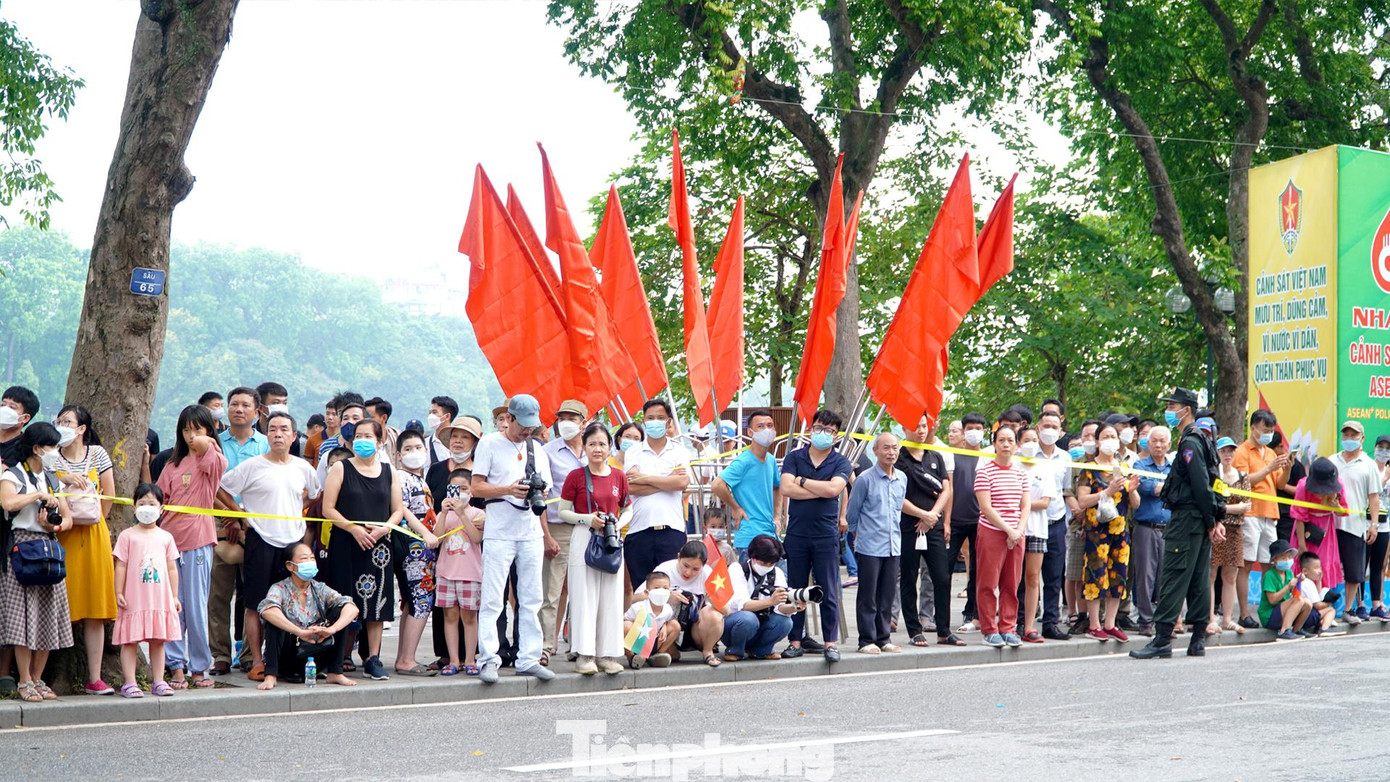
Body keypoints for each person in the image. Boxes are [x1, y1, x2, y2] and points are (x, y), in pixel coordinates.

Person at [216, 411, 321, 682]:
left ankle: (286, 659)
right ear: (266, 434)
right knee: (256, 603)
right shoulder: (252, 466)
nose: (278, 434)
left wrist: (298, 508)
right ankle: (258, 662)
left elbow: (314, 495)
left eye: (284, 430)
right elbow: (220, 488)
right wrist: (240, 515)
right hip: (260, 540)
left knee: (292, 601)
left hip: (293, 542)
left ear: (294, 436)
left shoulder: (303, 467)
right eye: (272, 429)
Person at [1132, 387, 1225, 660]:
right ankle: (1197, 641)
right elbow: (1214, 481)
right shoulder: (1202, 439)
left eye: (1172, 407)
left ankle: (1162, 639)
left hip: (1187, 519)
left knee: (1173, 577)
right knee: (1198, 578)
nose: (1169, 412)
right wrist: (1214, 517)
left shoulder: (1190, 442)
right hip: (1198, 518)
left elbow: (1201, 484)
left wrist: (1212, 519)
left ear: (1186, 409)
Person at [471, 394, 555, 684]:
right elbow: (476, 487)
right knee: (493, 599)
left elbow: (545, 488)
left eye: (532, 425)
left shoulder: (537, 449)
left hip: (530, 531)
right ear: (509, 418)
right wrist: (508, 489)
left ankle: (529, 657)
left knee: (532, 598)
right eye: (523, 425)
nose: (527, 431)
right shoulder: (490, 443)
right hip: (499, 532)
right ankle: (489, 658)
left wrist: (539, 492)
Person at [322, 417, 402, 680]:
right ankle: (338, 657)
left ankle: (373, 658)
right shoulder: (341, 469)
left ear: (380, 442)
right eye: (359, 436)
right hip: (346, 542)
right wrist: (353, 528)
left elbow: (398, 510)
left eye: (369, 436)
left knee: (377, 604)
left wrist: (384, 529)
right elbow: (328, 509)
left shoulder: (390, 472)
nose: (362, 441)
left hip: (379, 546)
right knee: (343, 600)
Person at [0, 422, 73, 702]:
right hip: (21, 549)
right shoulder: (14, 475)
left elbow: (67, 518)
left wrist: (53, 524)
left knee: (48, 616)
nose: (56, 452)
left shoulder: (54, 479)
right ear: (37, 448)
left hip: (49, 548)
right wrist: (37, 496)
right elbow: (7, 503)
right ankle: (25, 680)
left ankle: (39, 677)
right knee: (23, 618)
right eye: (52, 447)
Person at [157, 404, 227, 688]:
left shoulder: (213, 460)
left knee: (197, 606)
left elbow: (216, 461)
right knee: (174, 605)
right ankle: (175, 666)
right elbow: (159, 497)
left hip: (198, 541)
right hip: (170, 542)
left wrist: (206, 442)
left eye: (197, 429)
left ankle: (199, 667)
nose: (190, 435)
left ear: (209, 431)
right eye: (186, 429)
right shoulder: (172, 465)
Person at [50, 404, 118, 695]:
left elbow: (110, 495)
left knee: (94, 607)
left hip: (93, 536)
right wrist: (62, 478)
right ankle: (47, 674)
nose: (62, 425)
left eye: (68, 421)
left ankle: (94, 677)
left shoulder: (98, 454)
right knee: (58, 603)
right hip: (61, 535)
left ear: (82, 429)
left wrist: (93, 518)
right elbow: (46, 488)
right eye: (59, 421)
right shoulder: (50, 456)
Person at [849, 433, 932, 654]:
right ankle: (866, 640)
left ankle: (883, 638)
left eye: (895, 448)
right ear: (875, 451)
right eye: (886, 448)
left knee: (887, 595)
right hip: (869, 545)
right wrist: (860, 535)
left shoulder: (902, 478)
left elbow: (898, 509)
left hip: (893, 544)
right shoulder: (865, 479)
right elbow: (852, 515)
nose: (891, 452)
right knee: (868, 595)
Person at [558, 422, 630, 675]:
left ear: (610, 447)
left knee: (611, 597)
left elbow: (627, 505)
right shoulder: (575, 477)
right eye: (592, 444)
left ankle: (607, 655)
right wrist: (588, 519)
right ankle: (585, 654)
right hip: (584, 537)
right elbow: (562, 511)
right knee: (584, 597)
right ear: (584, 447)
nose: (597, 449)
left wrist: (618, 523)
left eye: (602, 444)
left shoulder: (618, 476)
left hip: (611, 539)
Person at [780, 409, 852, 661]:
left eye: (829, 430)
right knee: (796, 590)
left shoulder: (841, 462)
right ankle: (795, 640)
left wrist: (802, 482)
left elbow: (835, 490)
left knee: (828, 590)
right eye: (819, 428)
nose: (823, 434)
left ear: (836, 436)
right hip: (797, 533)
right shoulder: (794, 457)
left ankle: (830, 643)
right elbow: (786, 488)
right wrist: (819, 489)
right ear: (811, 429)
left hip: (825, 535)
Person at [211, 386, 269, 676]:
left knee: (254, 593)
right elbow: (210, 484)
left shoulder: (266, 445)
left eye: (246, 405)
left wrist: (245, 520)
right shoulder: (216, 444)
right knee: (218, 593)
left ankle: (249, 655)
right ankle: (220, 655)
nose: (239, 409)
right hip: (221, 522)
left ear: (257, 412)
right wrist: (232, 519)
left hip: (258, 523)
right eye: (234, 404)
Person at [256, 543, 361, 691]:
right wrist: (300, 632)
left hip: (314, 652)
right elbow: (267, 610)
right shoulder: (279, 588)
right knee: (274, 617)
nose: (310, 562)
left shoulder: (319, 588)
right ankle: (271, 675)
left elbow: (352, 608)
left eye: (312, 558)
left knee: (340, 610)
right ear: (290, 566)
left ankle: (335, 672)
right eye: (304, 558)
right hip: (289, 654)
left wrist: (332, 629)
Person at [113, 483, 182, 698]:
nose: (146, 507)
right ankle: (130, 682)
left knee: (158, 640)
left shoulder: (166, 537)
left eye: (152, 503)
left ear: (162, 508)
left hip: (159, 599)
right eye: (142, 503)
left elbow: (172, 567)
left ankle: (159, 680)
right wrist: (118, 592)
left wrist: (174, 596)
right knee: (130, 641)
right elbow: (121, 565)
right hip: (133, 599)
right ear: (133, 507)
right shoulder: (127, 536)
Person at [896, 414, 956, 647]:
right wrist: (921, 515)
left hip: (933, 526)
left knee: (942, 576)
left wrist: (932, 517)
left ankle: (944, 630)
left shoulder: (936, 456)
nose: (921, 431)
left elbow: (946, 488)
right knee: (909, 577)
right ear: (904, 427)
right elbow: (897, 495)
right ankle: (914, 630)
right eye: (915, 426)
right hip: (909, 526)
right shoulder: (899, 458)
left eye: (924, 426)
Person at [1075, 422, 1138, 642]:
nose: (1111, 440)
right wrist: (1107, 491)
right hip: (1096, 532)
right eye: (1106, 436)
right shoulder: (1090, 469)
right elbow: (1082, 500)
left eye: (1114, 436)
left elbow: (1135, 504)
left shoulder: (1123, 468)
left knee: (1118, 575)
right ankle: (1094, 624)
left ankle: (1110, 623)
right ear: (1098, 441)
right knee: (1095, 575)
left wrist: (1130, 489)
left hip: (1120, 531)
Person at [622, 399, 692, 592]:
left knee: (670, 589)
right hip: (639, 530)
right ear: (644, 421)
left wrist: (645, 478)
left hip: (672, 529)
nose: (655, 422)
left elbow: (682, 482)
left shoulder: (679, 451)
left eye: (660, 418)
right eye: (650, 418)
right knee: (641, 589)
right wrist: (667, 480)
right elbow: (630, 487)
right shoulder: (634, 451)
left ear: (669, 422)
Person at [972, 426, 1030, 648]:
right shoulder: (985, 471)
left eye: (1010, 441)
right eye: (1001, 440)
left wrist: (1018, 530)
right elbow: (986, 507)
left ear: (1016, 444)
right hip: (992, 532)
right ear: (994, 444)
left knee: (1011, 583)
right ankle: (989, 629)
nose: (1006, 445)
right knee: (988, 582)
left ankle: (1008, 627)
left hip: (1017, 533)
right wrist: (1008, 530)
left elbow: (1025, 506)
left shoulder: (1020, 472)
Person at [1232, 409, 1291, 629]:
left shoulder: (1271, 453)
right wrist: (1269, 468)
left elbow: (1280, 484)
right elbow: (1243, 481)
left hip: (1270, 513)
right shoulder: (1242, 451)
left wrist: (1286, 467)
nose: (1267, 434)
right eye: (1265, 430)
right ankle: (1245, 613)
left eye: (1270, 431)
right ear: (1253, 428)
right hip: (1250, 513)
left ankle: (1268, 610)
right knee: (1247, 564)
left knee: (1269, 563)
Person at [390, 428, 442, 675]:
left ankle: (404, 656)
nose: (414, 453)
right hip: (413, 549)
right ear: (399, 455)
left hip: (422, 549)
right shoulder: (402, 477)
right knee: (421, 601)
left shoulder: (420, 479)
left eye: (418, 448)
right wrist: (425, 533)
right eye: (408, 449)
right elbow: (402, 509)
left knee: (413, 603)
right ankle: (407, 659)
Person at [541, 399, 589, 666]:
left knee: (584, 587)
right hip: (558, 526)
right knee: (552, 589)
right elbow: (542, 497)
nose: (566, 422)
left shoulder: (595, 449)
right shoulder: (548, 451)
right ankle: (547, 644)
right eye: (562, 418)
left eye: (572, 417)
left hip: (588, 527)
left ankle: (582, 644)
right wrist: (546, 534)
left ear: (584, 422)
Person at [711, 409, 781, 562]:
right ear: (750, 432)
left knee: (777, 582)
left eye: (770, 425)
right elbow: (717, 485)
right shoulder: (743, 461)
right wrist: (735, 507)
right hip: (750, 536)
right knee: (751, 584)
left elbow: (777, 487)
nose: (767, 430)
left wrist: (777, 516)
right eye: (760, 426)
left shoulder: (771, 460)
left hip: (770, 532)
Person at [434, 468, 485, 676]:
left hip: (470, 574)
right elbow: (436, 539)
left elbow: (476, 538)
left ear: (472, 491)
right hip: (446, 573)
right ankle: (454, 660)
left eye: (464, 488)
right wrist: (444, 512)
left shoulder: (478, 514)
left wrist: (462, 513)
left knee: (470, 617)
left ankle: (470, 659)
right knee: (450, 616)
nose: (460, 492)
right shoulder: (443, 514)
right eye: (455, 489)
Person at [721, 534, 802, 660]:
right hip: (735, 625)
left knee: (785, 622)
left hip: (760, 624)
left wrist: (794, 606)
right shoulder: (737, 569)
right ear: (752, 557)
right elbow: (743, 605)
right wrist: (770, 601)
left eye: (772, 563)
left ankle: (762, 650)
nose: (767, 566)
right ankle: (735, 649)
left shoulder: (777, 573)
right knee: (748, 618)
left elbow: (780, 607)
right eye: (764, 562)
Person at [1331, 421, 1380, 623]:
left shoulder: (1368, 465)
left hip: (1355, 525)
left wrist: (1374, 525)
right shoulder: (1332, 461)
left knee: (1353, 571)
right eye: (1346, 435)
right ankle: (1323, 610)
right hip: (1330, 524)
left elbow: (1374, 497)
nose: (1349, 439)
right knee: (1325, 567)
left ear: (1362, 438)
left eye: (1354, 435)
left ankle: (1348, 609)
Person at [650, 540, 727, 667]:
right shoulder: (664, 569)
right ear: (678, 557)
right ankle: (667, 649)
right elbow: (639, 598)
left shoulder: (708, 573)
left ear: (704, 565)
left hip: (696, 629)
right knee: (672, 653)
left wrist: (713, 599)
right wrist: (665, 595)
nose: (688, 572)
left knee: (714, 614)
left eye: (696, 569)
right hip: (668, 627)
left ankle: (707, 651)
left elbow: (727, 610)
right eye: (685, 565)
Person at [949, 412, 990, 634]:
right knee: (944, 569)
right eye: (970, 428)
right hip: (954, 521)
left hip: (981, 522)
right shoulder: (952, 455)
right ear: (964, 431)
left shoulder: (989, 457)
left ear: (984, 431)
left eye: (978, 428)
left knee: (977, 570)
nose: (974, 432)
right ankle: (941, 615)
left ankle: (973, 612)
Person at [1034, 410, 1072, 641]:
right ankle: (1022, 621)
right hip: (1031, 523)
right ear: (1038, 428)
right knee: (1026, 577)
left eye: (1054, 427)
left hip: (1056, 522)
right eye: (1045, 425)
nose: (1049, 430)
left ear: (1060, 431)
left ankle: (1050, 622)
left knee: (1054, 576)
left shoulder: (1066, 458)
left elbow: (1066, 490)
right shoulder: (1025, 454)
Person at [1131, 425, 1173, 636]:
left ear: (1169, 445)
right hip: (1145, 527)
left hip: (1169, 528)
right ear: (1148, 443)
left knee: (1167, 577)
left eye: (1162, 441)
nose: (1158, 445)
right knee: (1145, 576)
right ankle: (1145, 620)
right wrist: (1168, 489)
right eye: (1154, 441)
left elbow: (1172, 490)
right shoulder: (1139, 464)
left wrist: (1163, 489)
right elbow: (1147, 487)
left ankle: (1165, 621)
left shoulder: (1173, 467)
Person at [1209, 437, 1251, 635]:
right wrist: (1232, 508)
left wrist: (1225, 508)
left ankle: (1227, 618)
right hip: (1214, 528)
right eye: (1223, 450)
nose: (1227, 454)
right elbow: (1211, 504)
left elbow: (1246, 506)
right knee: (1210, 575)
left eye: (1231, 451)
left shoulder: (1242, 476)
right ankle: (1210, 618)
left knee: (1230, 576)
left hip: (1235, 531)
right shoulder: (1212, 475)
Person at [1017, 427, 1054, 643]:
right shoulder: (1012, 466)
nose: (1031, 443)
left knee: (1032, 578)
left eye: (1034, 440)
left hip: (1037, 530)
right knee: (1011, 579)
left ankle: (1029, 626)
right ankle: (1010, 622)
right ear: (1018, 443)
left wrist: (1022, 503)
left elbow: (1045, 502)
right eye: (1026, 440)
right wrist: (1027, 505)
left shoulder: (1044, 468)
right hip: (1014, 529)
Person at [1065, 419, 1101, 634]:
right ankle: (1080, 615)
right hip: (1079, 524)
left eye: (1093, 436)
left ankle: (1099, 616)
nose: (1089, 440)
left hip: (1103, 526)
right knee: (1077, 573)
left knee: (1097, 572)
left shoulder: (1106, 463)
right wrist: (1078, 509)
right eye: (1085, 435)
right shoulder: (1075, 463)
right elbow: (1067, 491)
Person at [1290, 457, 1347, 590]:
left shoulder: (1339, 485)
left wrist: (1337, 506)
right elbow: (1299, 516)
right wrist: (1302, 545)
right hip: (1305, 528)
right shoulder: (1303, 486)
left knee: (1323, 563)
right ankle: (1301, 599)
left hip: (1326, 529)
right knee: (1304, 563)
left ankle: (1321, 598)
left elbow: (1343, 512)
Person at [623, 571, 679, 669]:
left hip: (656, 642)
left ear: (670, 591)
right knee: (626, 625)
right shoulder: (638, 607)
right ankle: (632, 657)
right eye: (656, 588)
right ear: (646, 592)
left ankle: (658, 656)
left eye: (665, 588)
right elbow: (625, 623)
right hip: (638, 642)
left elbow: (667, 620)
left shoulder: (668, 609)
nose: (661, 591)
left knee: (675, 625)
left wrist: (664, 626)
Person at [1259, 541, 1310, 640]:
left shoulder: (1289, 573)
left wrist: (1299, 582)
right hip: (1269, 615)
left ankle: (1297, 630)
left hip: (1282, 611)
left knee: (1307, 602)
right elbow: (1272, 600)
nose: (1287, 560)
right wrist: (1288, 586)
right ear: (1274, 560)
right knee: (1298, 601)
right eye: (1283, 558)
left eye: (1289, 557)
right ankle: (1284, 631)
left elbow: (1295, 594)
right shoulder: (1269, 575)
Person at [1295, 551, 1344, 636]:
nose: (1319, 571)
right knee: (1331, 610)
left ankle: (1321, 624)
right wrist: (1329, 603)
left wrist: (1319, 581)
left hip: (1298, 616)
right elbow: (1317, 605)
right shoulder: (1308, 583)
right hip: (1305, 617)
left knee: (1323, 609)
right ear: (1305, 571)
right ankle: (1324, 628)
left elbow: (1316, 596)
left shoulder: (1305, 582)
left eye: (1320, 568)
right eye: (1316, 568)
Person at [1373, 434, 1390, 620]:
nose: (1384, 451)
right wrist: (1385, 478)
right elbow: (1372, 493)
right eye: (1381, 446)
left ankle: (1379, 603)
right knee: (1364, 565)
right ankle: (1361, 604)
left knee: (1382, 564)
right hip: (1368, 523)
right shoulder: (1369, 468)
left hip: (1387, 524)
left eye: (1388, 448)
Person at [0, 385, 39, 466]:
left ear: (25, 418)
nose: (4, 409)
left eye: (12, 407)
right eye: (3, 405)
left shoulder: (24, 448)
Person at [424, 395, 460, 466]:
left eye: (434, 412)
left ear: (447, 416)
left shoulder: (458, 444)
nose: (430, 416)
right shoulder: (425, 444)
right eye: (430, 413)